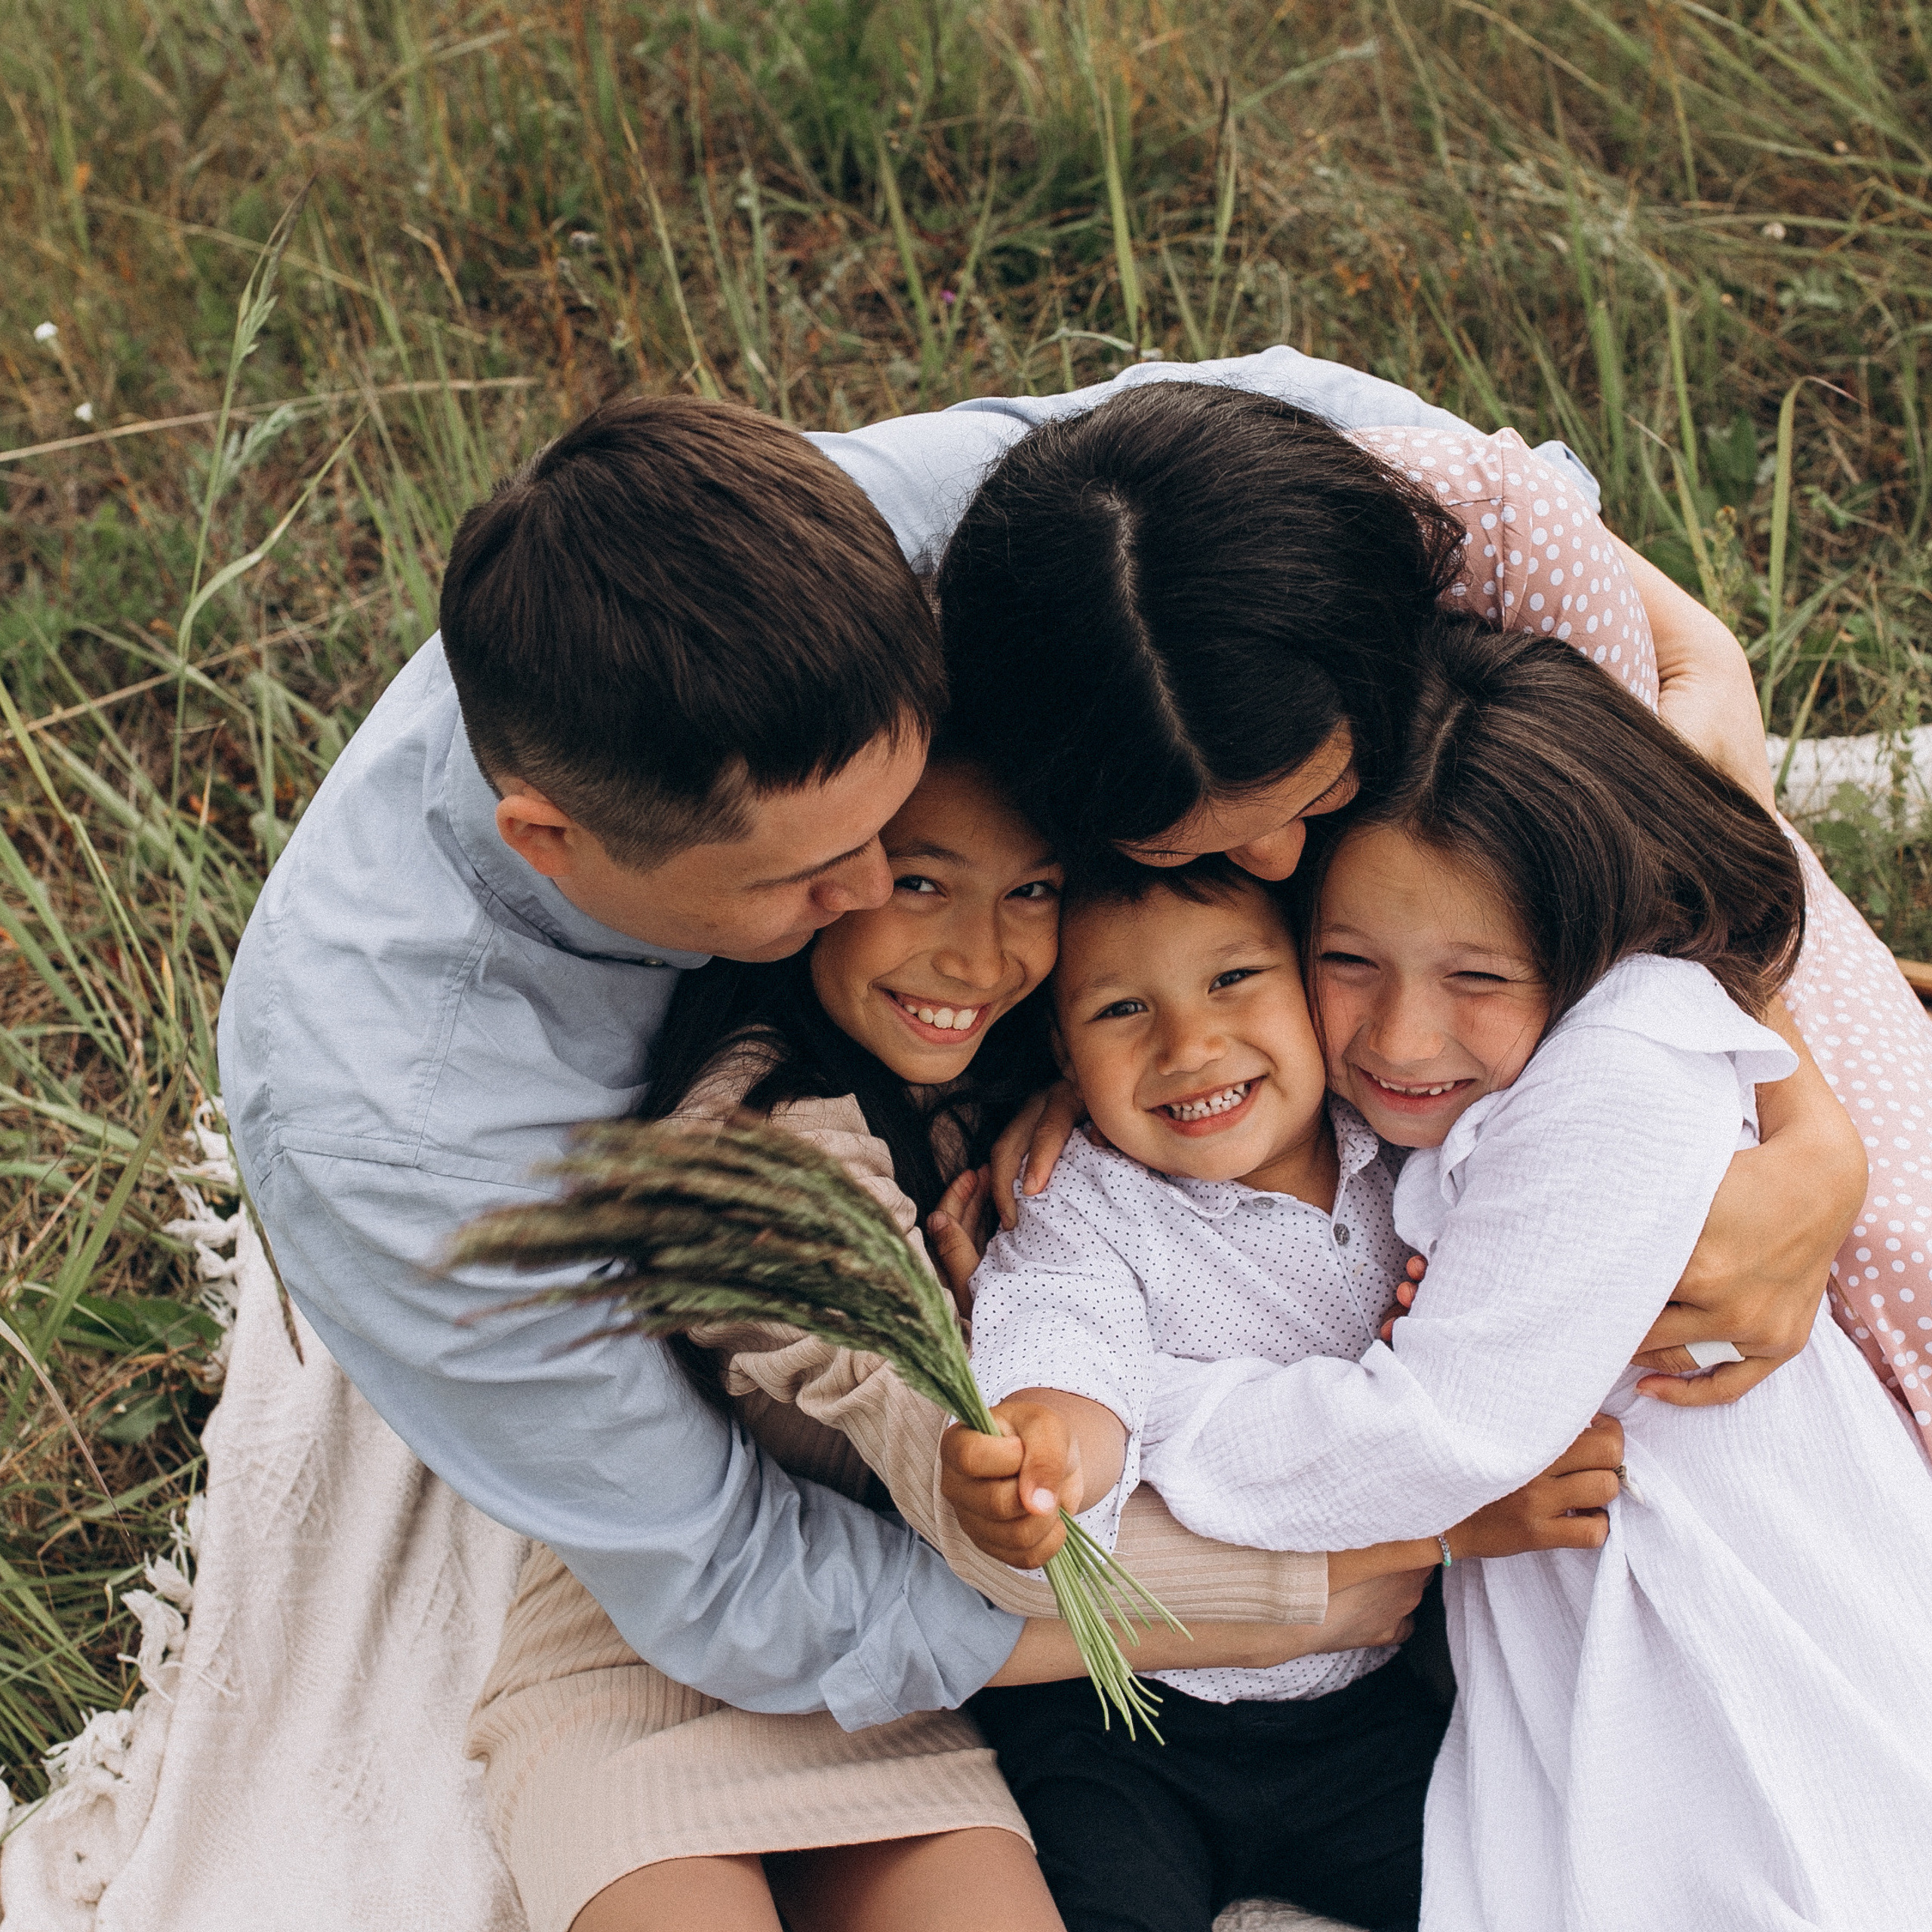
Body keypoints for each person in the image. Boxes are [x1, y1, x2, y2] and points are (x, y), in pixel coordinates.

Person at [961, 617, 1932, 1930]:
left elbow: (1439, 1436)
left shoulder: (1621, 1059)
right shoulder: (1332, 1124)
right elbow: (1076, 1289)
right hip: (1388, 1665)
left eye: (1478, 977)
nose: (1403, 1039)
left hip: (1713, 1602)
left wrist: (1157, 1406)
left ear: (1591, 942)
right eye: (1349, 964)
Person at [468, 750, 1450, 1932]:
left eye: (1031, 892)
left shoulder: (1030, 1073)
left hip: (912, 1694)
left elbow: (1158, 1020)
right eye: (923, 885)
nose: (982, 954)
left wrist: (1078, 1100)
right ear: (826, 883)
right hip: (664, 1664)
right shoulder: (748, 1165)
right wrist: (1311, 1591)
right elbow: (968, 1496)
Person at [935, 391, 1905, 1499]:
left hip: (1696, 909)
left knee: (1894, 1275)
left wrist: (1821, 1144)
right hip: (1401, 997)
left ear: (1374, 666)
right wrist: (1111, 1042)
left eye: (1314, 800)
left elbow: (1684, 858)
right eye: (1193, 848)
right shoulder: (1033, 669)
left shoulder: (1498, 547)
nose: (1272, 865)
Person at [955, 853, 1625, 1932]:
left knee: (1503, 1889)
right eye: (1123, 1008)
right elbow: (1067, 1340)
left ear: (1315, 986)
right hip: (1127, 1722)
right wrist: (1043, 1445)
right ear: (1062, 1053)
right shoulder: (1082, 1199)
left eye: (1233, 980)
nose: (1190, 1046)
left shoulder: (1411, 1152)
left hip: (1353, 1714)